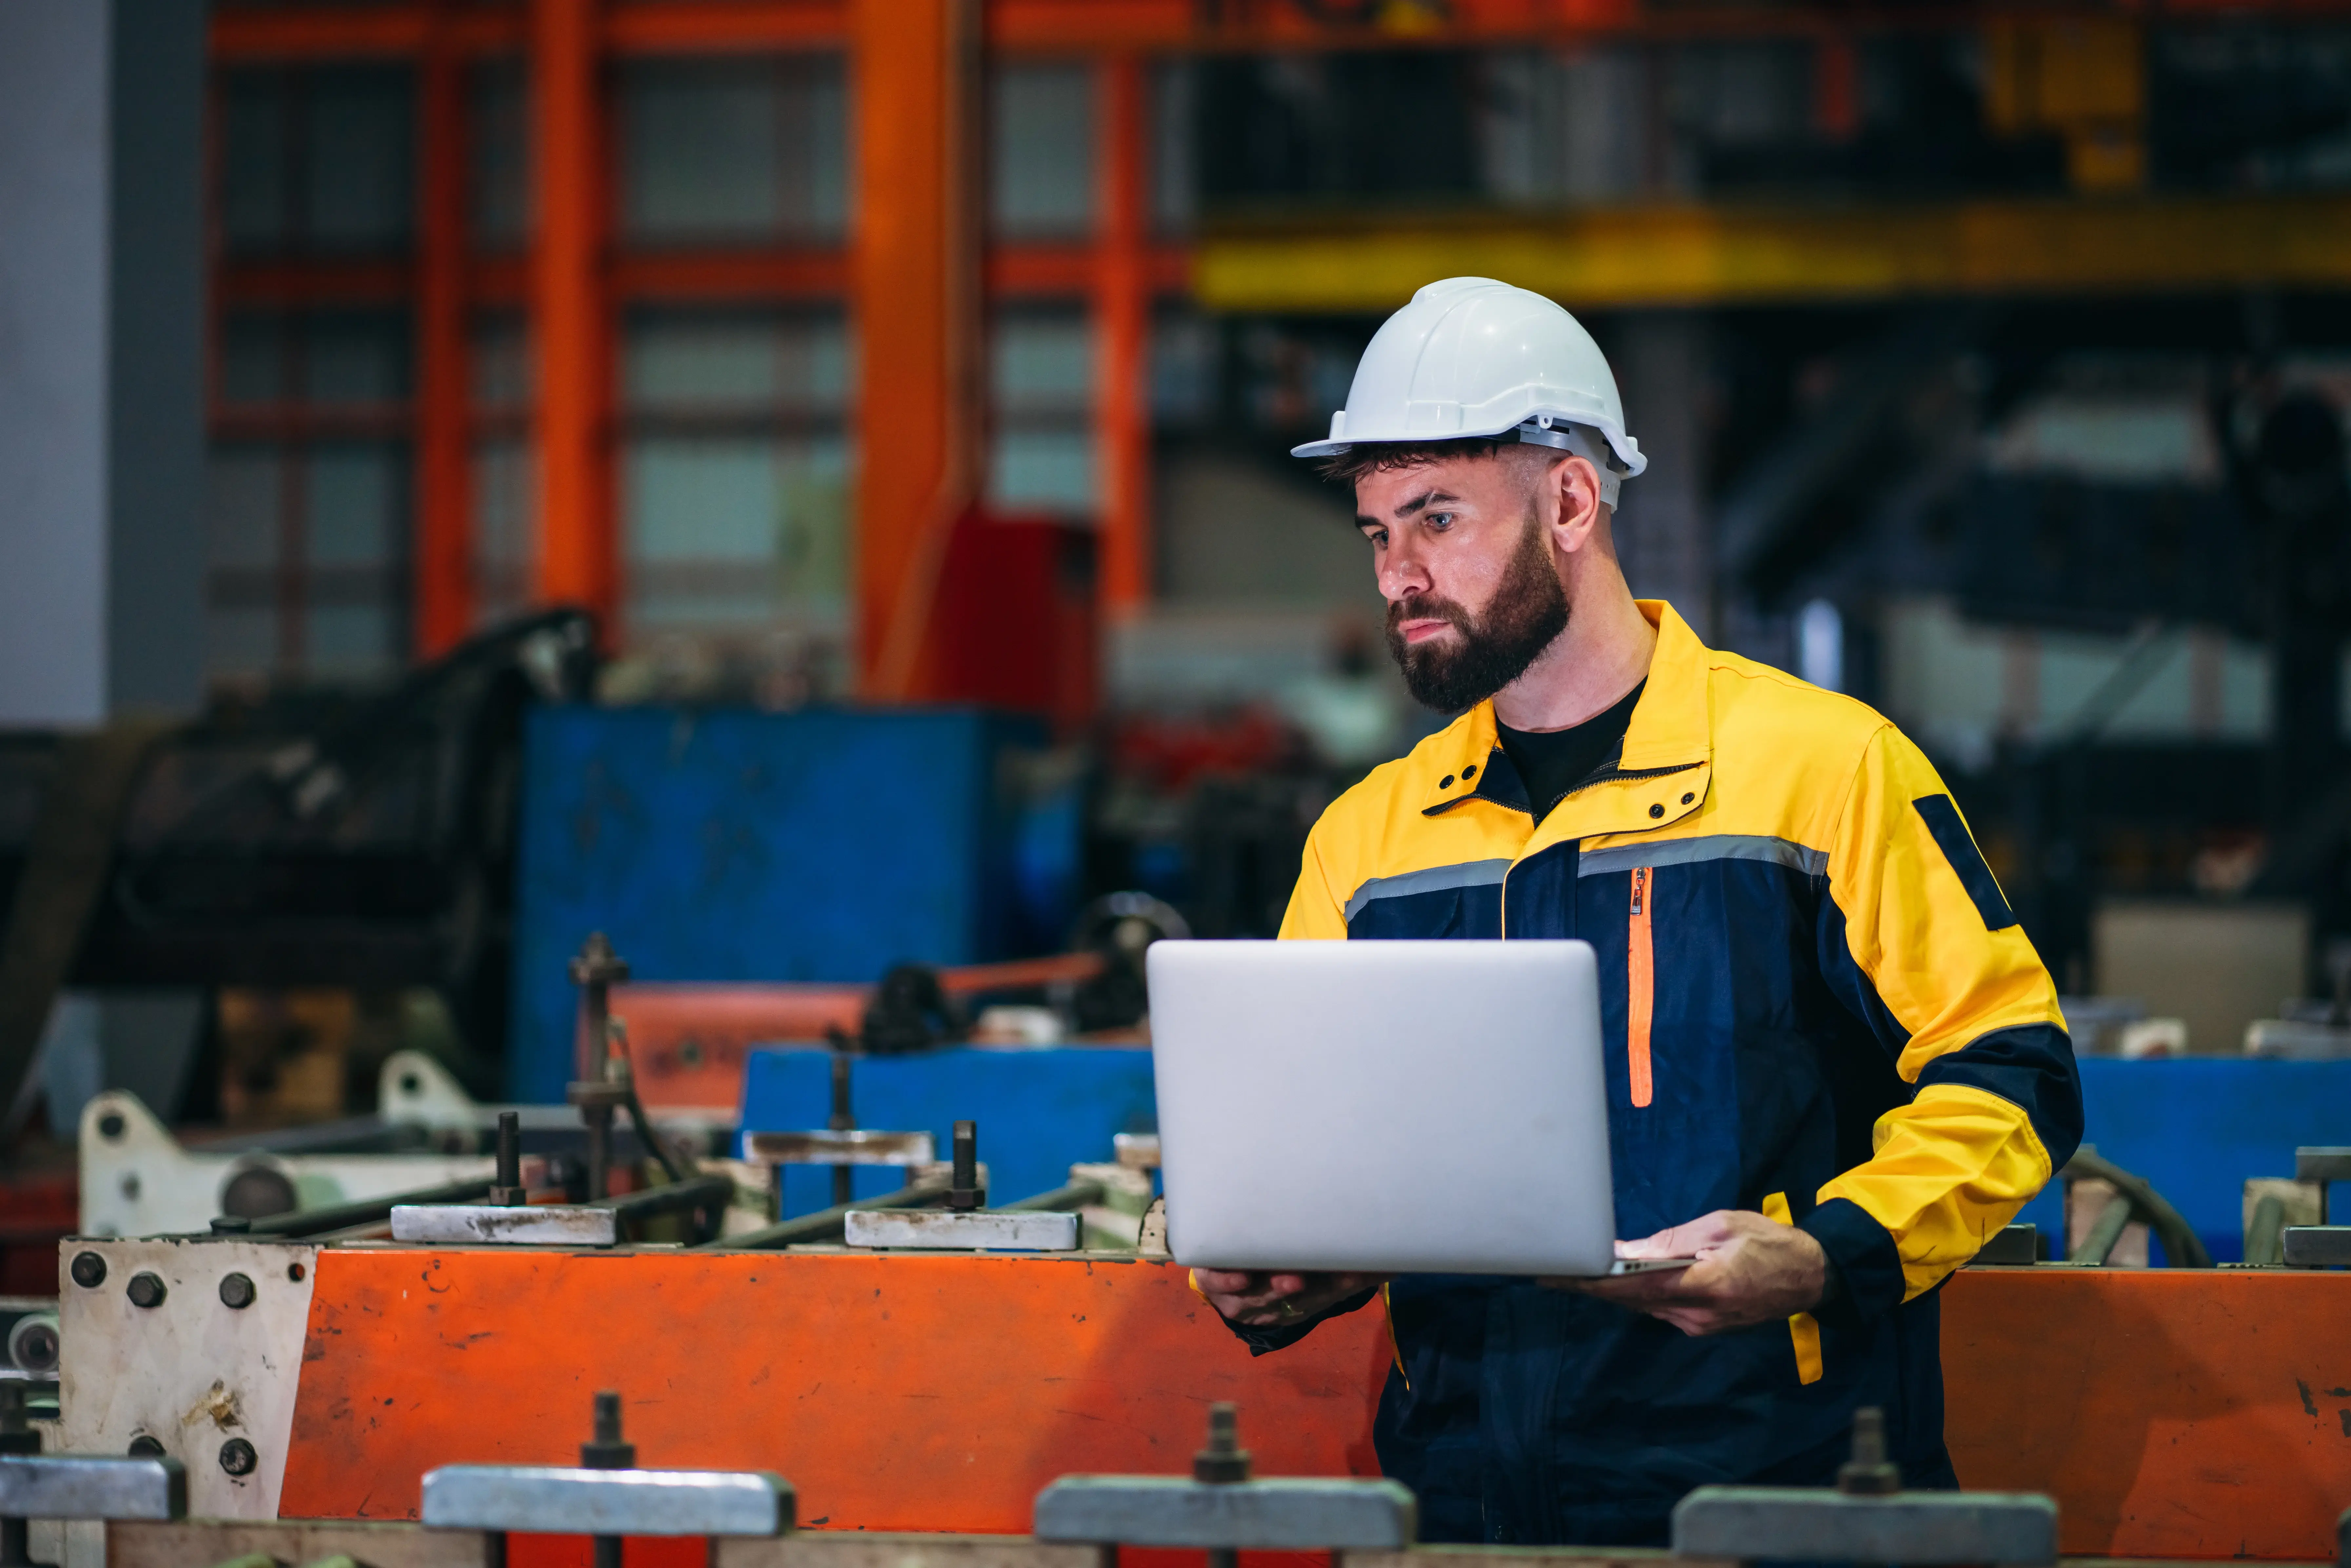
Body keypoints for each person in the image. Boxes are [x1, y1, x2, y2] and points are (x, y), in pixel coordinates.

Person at [1190, 278, 2082, 1547]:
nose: (1399, 573)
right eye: (1377, 530)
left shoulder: (1823, 770)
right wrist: (1301, 1264)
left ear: (1568, 499)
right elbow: (1337, 1156)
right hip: (1461, 1499)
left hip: (1768, 1489)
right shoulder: (1368, 838)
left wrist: (1824, 1252)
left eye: (1436, 517)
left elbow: (2011, 1075)